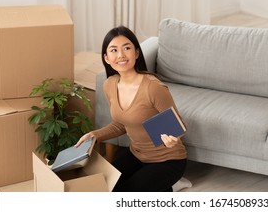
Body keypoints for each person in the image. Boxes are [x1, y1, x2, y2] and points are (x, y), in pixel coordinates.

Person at [76, 26, 191, 192]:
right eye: (114, 50)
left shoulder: (153, 87)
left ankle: (170, 184)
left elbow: (177, 125)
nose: (121, 55)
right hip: (136, 155)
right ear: (107, 58)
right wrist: (94, 135)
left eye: (127, 48)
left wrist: (172, 138)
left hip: (168, 160)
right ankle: (164, 188)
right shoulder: (109, 84)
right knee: (102, 188)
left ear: (136, 53)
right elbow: (121, 124)